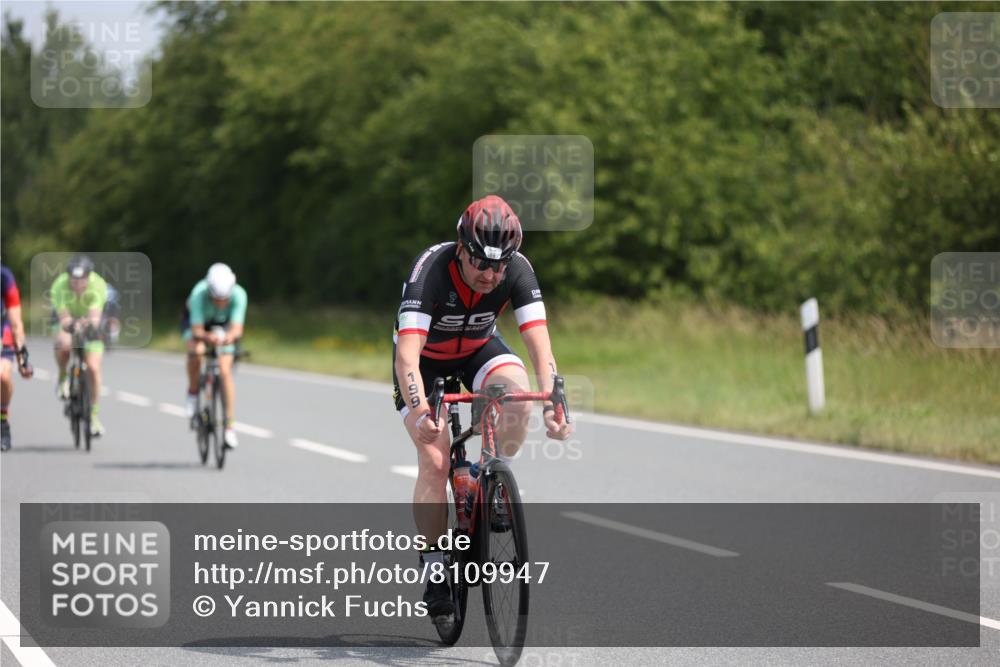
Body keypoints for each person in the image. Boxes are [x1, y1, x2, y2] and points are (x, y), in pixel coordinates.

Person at [392, 195, 572, 617]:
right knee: (435, 460)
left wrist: (553, 402)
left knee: (518, 398)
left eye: (499, 266)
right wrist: (421, 413)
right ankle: (435, 565)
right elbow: (406, 358)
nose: (491, 275)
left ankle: (489, 479)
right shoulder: (430, 272)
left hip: (478, 350)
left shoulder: (519, 271)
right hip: (424, 364)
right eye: (481, 264)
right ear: (462, 250)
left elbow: (539, 345)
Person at [182, 263, 247, 449]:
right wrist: (206, 337)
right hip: (198, 324)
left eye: (224, 299)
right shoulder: (198, 295)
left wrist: (228, 338)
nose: (221, 303)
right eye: (216, 299)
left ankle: (229, 428)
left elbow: (236, 329)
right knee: (198, 352)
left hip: (224, 327)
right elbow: (196, 330)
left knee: (225, 372)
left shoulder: (239, 295)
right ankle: (193, 392)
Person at [51, 255, 107, 436]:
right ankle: (62, 378)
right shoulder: (59, 285)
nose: (77, 285)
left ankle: (94, 416)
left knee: (93, 367)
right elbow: (64, 318)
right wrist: (71, 326)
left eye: (81, 280)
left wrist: (87, 325)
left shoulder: (98, 285)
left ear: (88, 277)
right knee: (64, 344)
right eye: (73, 280)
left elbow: (95, 318)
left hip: (88, 320)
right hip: (67, 320)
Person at [1, 263, 33, 451]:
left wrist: (22, 359)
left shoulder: (5, 276)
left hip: (1, 327)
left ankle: (2, 422)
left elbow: (15, 323)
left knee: (3, 376)